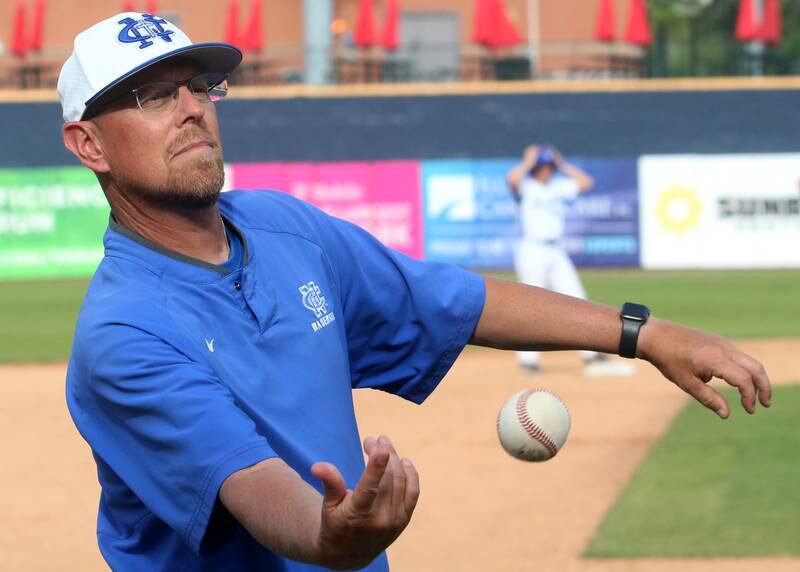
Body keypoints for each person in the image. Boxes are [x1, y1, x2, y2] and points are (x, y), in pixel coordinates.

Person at [59, 13, 772, 572]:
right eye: (154, 95)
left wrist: (641, 333)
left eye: (199, 86)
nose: (191, 108)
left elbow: (455, 300)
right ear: (89, 145)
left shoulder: (285, 228)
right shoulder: (125, 335)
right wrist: (333, 535)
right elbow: (251, 485)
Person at [507, 144, 630, 376]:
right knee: (530, 305)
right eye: (544, 166)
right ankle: (528, 361)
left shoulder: (558, 186)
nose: (548, 170)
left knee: (577, 298)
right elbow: (511, 178)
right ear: (536, 168)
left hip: (556, 250)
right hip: (532, 249)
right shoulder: (526, 186)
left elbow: (586, 182)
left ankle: (591, 355)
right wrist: (528, 162)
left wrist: (562, 163)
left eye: (550, 166)